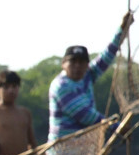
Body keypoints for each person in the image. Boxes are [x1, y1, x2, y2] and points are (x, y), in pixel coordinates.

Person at [49, 12, 134, 141]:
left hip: (84, 149)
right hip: (63, 152)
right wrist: (115, 127)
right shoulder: (61, 86)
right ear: (63, 64)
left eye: (81, 62)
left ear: (86, 65)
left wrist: (122, 30)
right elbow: (85, 116)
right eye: (73, 62)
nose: (77, 66)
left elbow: (107, 56)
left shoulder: (86, 75)